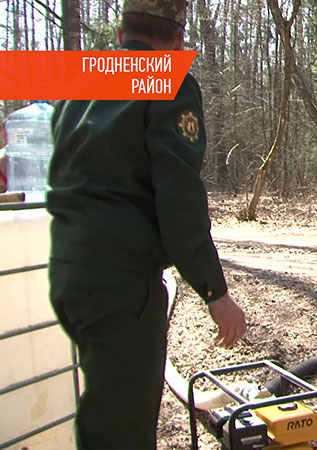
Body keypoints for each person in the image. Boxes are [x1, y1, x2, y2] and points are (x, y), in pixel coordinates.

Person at [46, 1, 247, 449]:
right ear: (178, 41)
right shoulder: (166, 81)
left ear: (120, 37)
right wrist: (215, 293)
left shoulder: (80, 78)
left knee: (102, 407)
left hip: (66, 271)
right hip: (119, 287)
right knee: (121, 431)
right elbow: (179, 198)